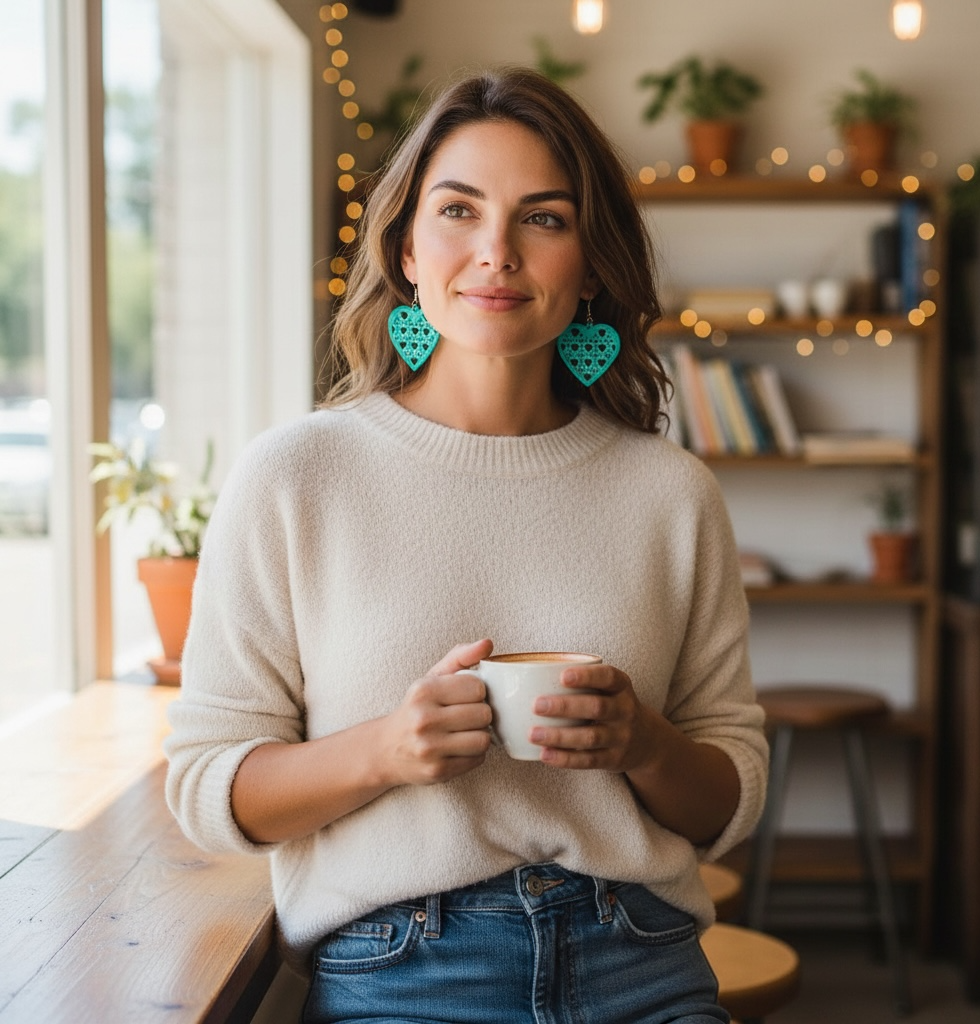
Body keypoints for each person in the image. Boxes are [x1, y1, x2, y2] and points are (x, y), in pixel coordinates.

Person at [165, 65, 768, 1024]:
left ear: (592, 264)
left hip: (643, 964)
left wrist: (643, 744)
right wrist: (384, 752)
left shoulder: (670, 492)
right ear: (407, 247)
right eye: (458, 210)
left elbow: (726, 800)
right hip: (402, 972)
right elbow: (207, 789)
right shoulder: (295, 477)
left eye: (544, 218)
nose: (496, 252)